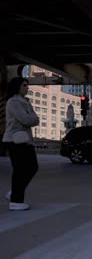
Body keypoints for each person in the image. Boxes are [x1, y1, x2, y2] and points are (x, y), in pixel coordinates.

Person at [2, 77, 40, 211]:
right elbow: (27, 120)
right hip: (14, 140)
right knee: (20, 170)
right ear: (17, 86)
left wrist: (32, 118)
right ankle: (16, 201)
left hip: (25, 140)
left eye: (27, 85)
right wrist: (32, 118)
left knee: (32, 167)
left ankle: (14, 193)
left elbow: (36, 120)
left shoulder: (25, 102)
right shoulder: (13, 102)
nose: (27, 88)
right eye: (24, 85)